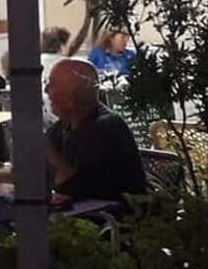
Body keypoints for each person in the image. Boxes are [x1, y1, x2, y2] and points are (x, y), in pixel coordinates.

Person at [45, 59, 147, 203]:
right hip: (82, 215)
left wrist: (45, 148)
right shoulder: (61, 127)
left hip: (115, 218)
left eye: (52, 84)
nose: (46, 90)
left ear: (71, 97)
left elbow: (73, 187)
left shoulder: (106, 129)